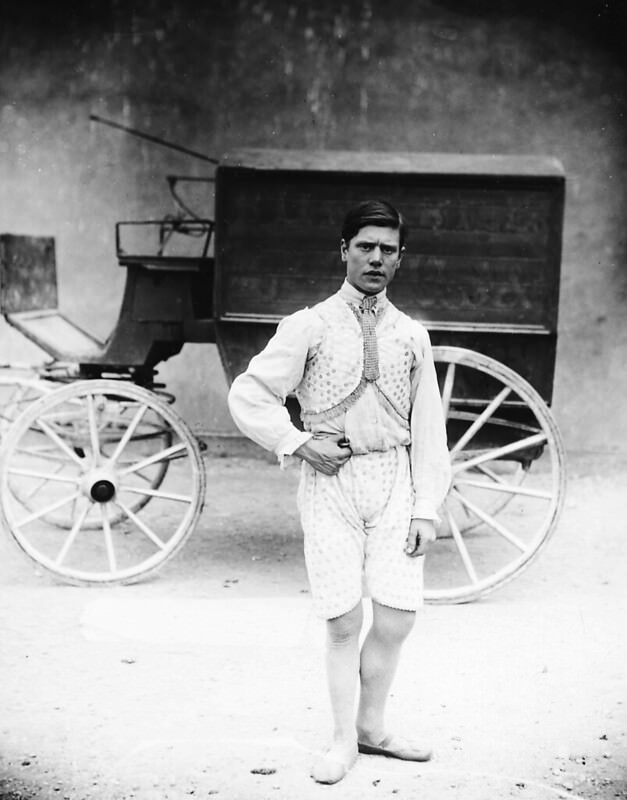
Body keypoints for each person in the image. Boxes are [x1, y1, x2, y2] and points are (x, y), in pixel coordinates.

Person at [227, 199, 451, 785]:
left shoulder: (413, 335)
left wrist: (426, 506)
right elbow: (248, 395)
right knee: (343, 621)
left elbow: (430, 429)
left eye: (387, 250)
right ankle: (342, 738)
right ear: (344, 250)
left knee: (397, 617)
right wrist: (299, 443)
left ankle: (373, 726)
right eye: (365, 246)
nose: (376, 258)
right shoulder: (310, 325)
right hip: (331, 484)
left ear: (400, 259)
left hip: (394, 481)